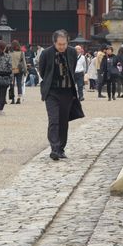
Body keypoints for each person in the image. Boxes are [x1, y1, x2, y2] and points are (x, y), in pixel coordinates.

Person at [38, 30, 83, 161]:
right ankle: (54, 148)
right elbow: (42, 71)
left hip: (67, 91)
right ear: (54, 43)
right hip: (52, 91)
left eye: (64, 44)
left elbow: (72, 68)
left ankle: (61, 148)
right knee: (54, 120)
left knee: (63, 121)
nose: (62, 47)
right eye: (59, 44)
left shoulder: (72, 52)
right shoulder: (46, 53)